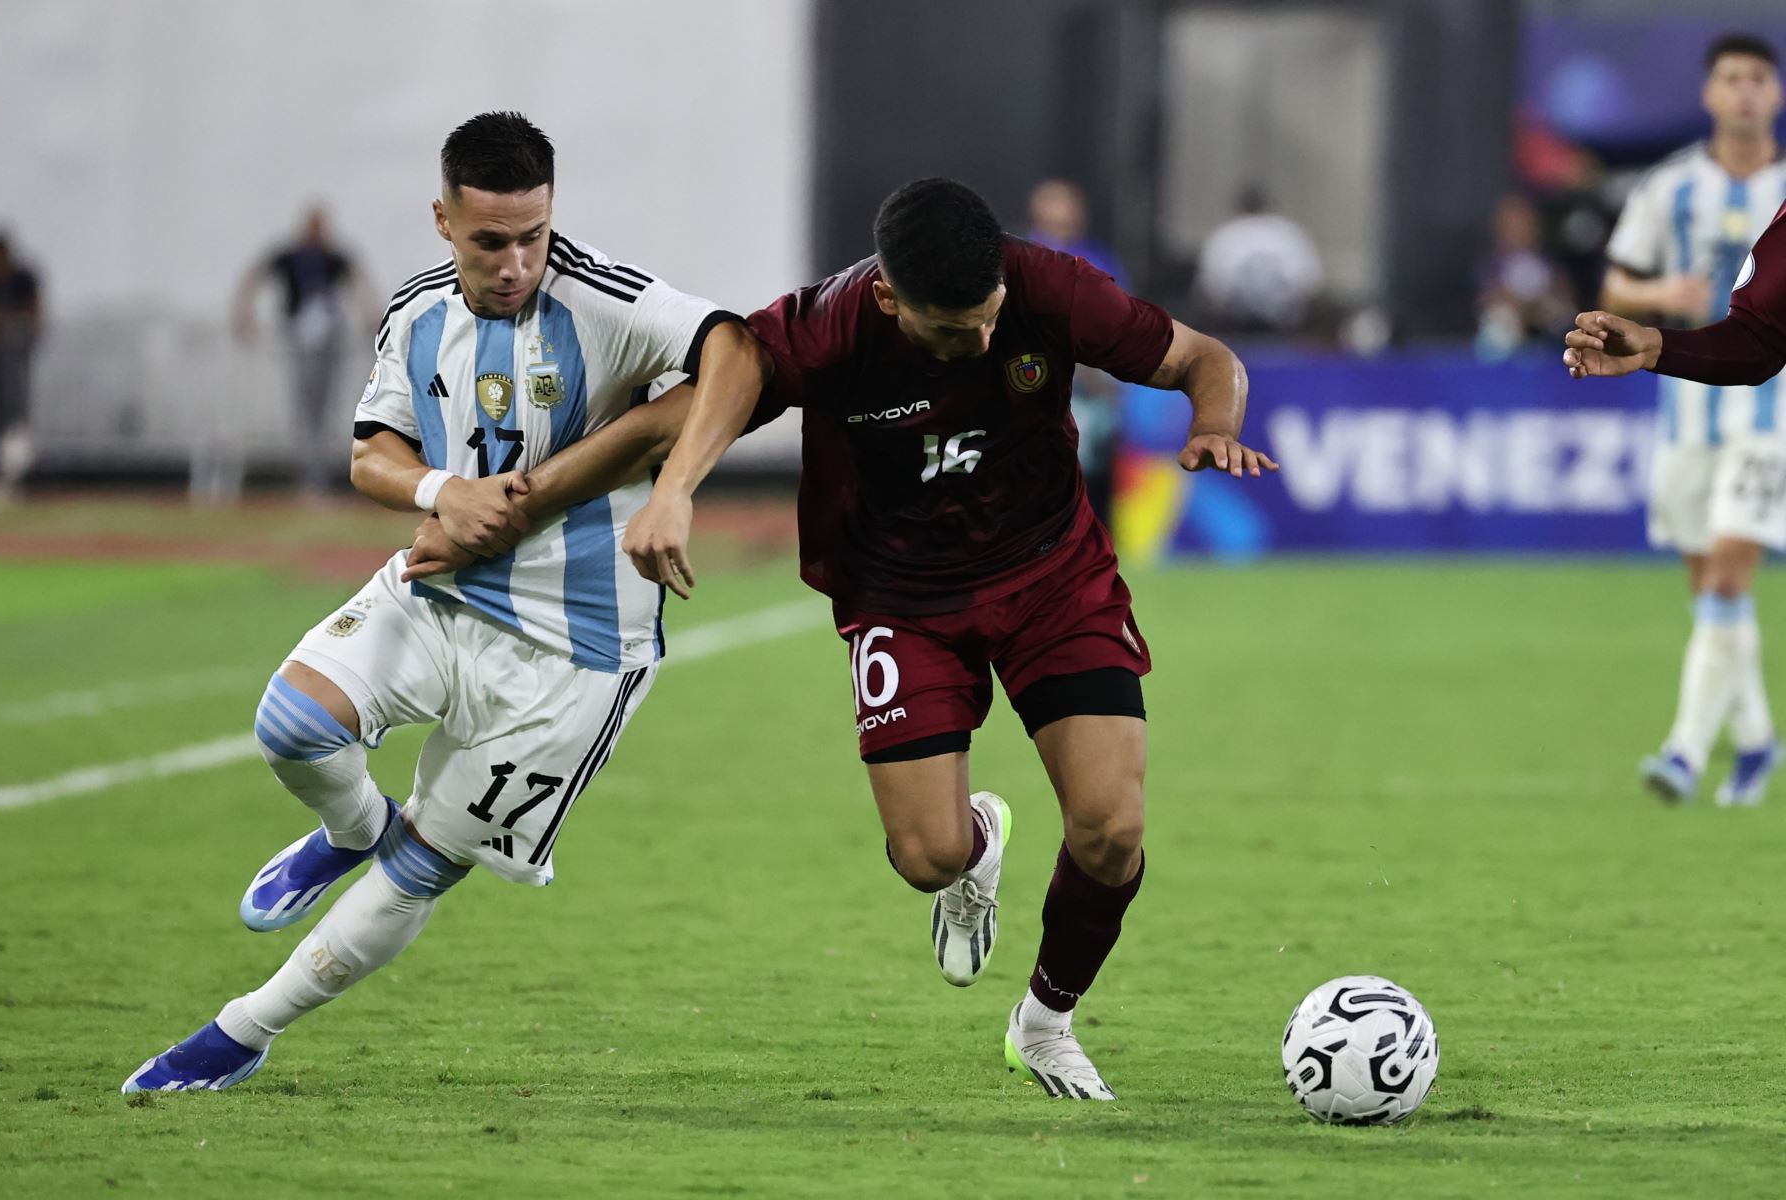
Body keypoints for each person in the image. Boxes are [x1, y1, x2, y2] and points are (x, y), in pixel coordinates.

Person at [408, 178, 1277, 1100]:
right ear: (889, 298)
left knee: (1113, 828)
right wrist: (552, 506)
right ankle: (976, 850)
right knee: (925, 858)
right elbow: (681, 409)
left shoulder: (1048, 288)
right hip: (900, 598)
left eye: (989, 321)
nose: (980, 344)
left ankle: (1046, 1023)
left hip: (1053, 574)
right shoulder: (827, 332)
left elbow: (1203, 358)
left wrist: (1215, 425)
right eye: (952, 333)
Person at [121, 111, 767, 1092]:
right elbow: (369, 454)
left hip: (579, 654)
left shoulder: (609, 300)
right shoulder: (417, 313)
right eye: (490, 240)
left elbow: (741, 353)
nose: (516, 263)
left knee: (425, 865)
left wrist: (673, 488)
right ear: (442, 219)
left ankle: (243, 1030)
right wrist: (441, 492)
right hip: (447, 589)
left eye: (533, 237)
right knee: (291, 724)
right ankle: (348, 829)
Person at [1587, 32, 1786, 805]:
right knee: (1712, 592)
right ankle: (1761, 740)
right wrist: (1659, 299)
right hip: (1687, 418)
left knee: (1732, 573)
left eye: (1757, 79)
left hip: (1771, 419)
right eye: (1730, 79)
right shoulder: (1668, 188)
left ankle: (1684, 752)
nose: (1743, 92)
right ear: (1708, 94)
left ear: (1775, 95)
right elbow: (1615, 282)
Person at [233, 206, 374, 494]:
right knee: (306, 406)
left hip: (328, 337)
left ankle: (317, 473)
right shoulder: (289, 256)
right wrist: (244, 314)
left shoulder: (334, 256)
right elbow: (253, 275)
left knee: (322, 406)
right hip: (300, 335)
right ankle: (311, 474)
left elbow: (359, 281)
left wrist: (371, 318)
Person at [1025, 178, 1124, 525]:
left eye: (1067, 204)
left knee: (1094, 483)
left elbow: (1121, 323)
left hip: (1093, 392)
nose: (1062, 214)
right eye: (1053, 204)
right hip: (1033, 391)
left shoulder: (1099, 260)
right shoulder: (1019, 258)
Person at [1194, 184, 1323, 334]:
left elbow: (1210, 288)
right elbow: (1310, 282)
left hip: (1240, 326)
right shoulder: (1289, 234)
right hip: (1277, 324)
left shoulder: (1224, 235)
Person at [1475, 193, 1576, 356]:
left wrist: (1537, 306)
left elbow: (1566, 306)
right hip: (1504, 350)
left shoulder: (1551, 267)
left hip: (1549, 342)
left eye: (1525, 224)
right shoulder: (1490, 268)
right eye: (1511, 226)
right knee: (1500, 320)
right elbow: (1484, 302)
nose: (1519, 231)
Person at [0, 231, 41, 502]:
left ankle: (14, 475)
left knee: (17, 418)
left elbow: (35, 316)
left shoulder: (24, 279)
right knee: (0, 419)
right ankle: (3, 474)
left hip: (17, 355)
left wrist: (15, 329)